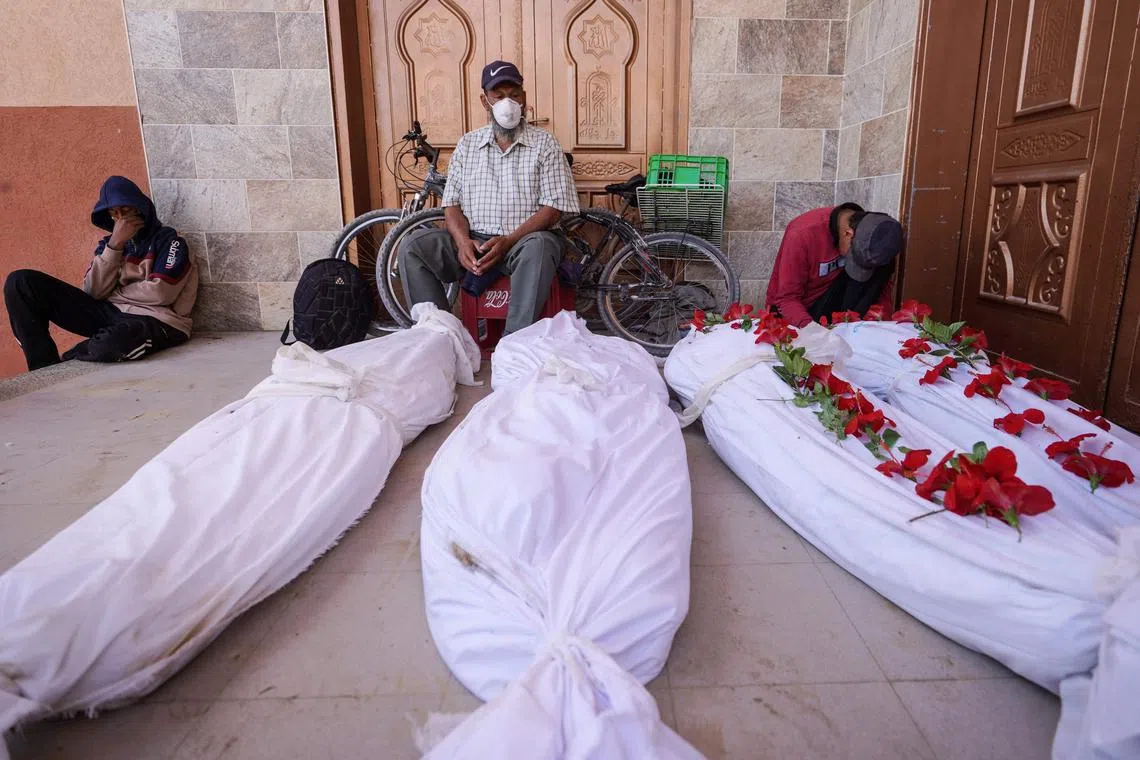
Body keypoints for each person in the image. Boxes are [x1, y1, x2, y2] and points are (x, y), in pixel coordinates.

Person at [398, 60, 580, 335]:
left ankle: (515, 344)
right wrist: (462, 243)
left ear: (524, 97)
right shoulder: (468, 144)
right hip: (476, 242)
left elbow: (553, 209)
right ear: (486, 101)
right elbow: (452, 204)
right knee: (413, 247)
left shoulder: (545, 144)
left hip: (521, 243)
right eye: (500, 95)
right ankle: (440, 337)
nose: (509, 102)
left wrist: (508, 242)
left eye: (515, 94)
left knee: (541, 246)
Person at [4, 176, 198, 371]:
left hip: (157, 320)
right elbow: (93, 292)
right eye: (114, 213)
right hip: (111, 312)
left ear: (140, 208)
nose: (121, 218)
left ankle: (75, 355)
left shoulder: (171, 241)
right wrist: (115, 245)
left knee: (113, 343)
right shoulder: (109, 245)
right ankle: (43, 367)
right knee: (20, 282)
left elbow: (161, 293)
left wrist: (115, 294)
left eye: (126, 210)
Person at [765, 203, 903, 328]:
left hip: (835, 300)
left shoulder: (873, 233)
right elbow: (787, 299)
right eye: (854, 257)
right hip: (799, 308)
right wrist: (813, 331)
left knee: (882, 270)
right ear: (848, 233)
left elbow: (882, 290)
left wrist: (882, 326)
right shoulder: (802, 234)